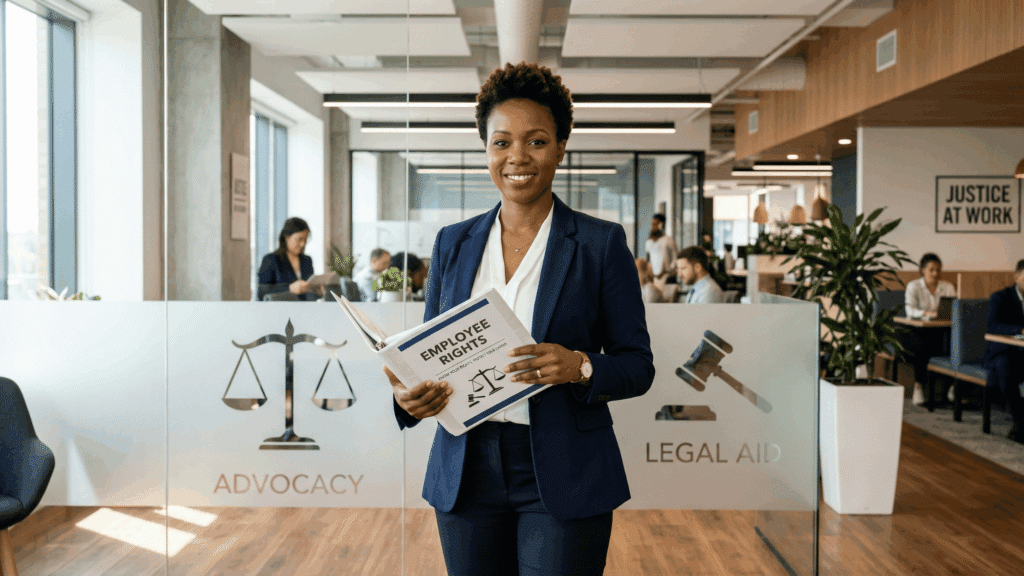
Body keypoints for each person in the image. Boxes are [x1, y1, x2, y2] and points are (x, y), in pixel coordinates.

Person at [383, 62, 654, 576]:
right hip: (465, 468)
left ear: (560, 147)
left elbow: (638, 366)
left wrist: (580, 366)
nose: (517, 157)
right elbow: (426, 350)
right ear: (485, 149)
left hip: (563, 467)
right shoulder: (452, 243)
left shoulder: (599, 244)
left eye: (536, 141)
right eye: (501, 142)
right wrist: (409, 397)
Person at [903, 253, 957, 405]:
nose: (935, 273)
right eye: (931, 270)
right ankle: (918, 386)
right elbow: (910, 311)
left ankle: (952, 386)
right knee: (923, 345)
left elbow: (954, 309)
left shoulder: (947, 287)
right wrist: (928, 313)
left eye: (938, 270)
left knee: (955, 344)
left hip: (941, 330)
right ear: (922, 270)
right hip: (916, 330)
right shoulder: (914, 286)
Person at [984, 259, 1024, 443]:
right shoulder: (1000, 297)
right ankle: (1019, 423)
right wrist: (1019, 330)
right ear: (1016, 276)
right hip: (1003, 352)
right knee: (1005, 368)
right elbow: (992, 325)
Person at [256, 217, 322, 301]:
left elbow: (308, 293)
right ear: (286, 237)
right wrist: (289, 288)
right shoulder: (270, 259)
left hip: (305, 310)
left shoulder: (307, 260)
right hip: (279, 310)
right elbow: (262, 291)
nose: (303, 244)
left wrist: (317, 291)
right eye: (299, 239)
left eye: (305, 239)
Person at [644, 214, 676, 278]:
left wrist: (669, 271)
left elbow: (675, 257)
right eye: (652, 224)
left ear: (661, 225)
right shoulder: (649, 242)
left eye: (655, 224)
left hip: (667, 276)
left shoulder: (668, 240)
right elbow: (648, 259)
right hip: (654, 276)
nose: (653, 226)